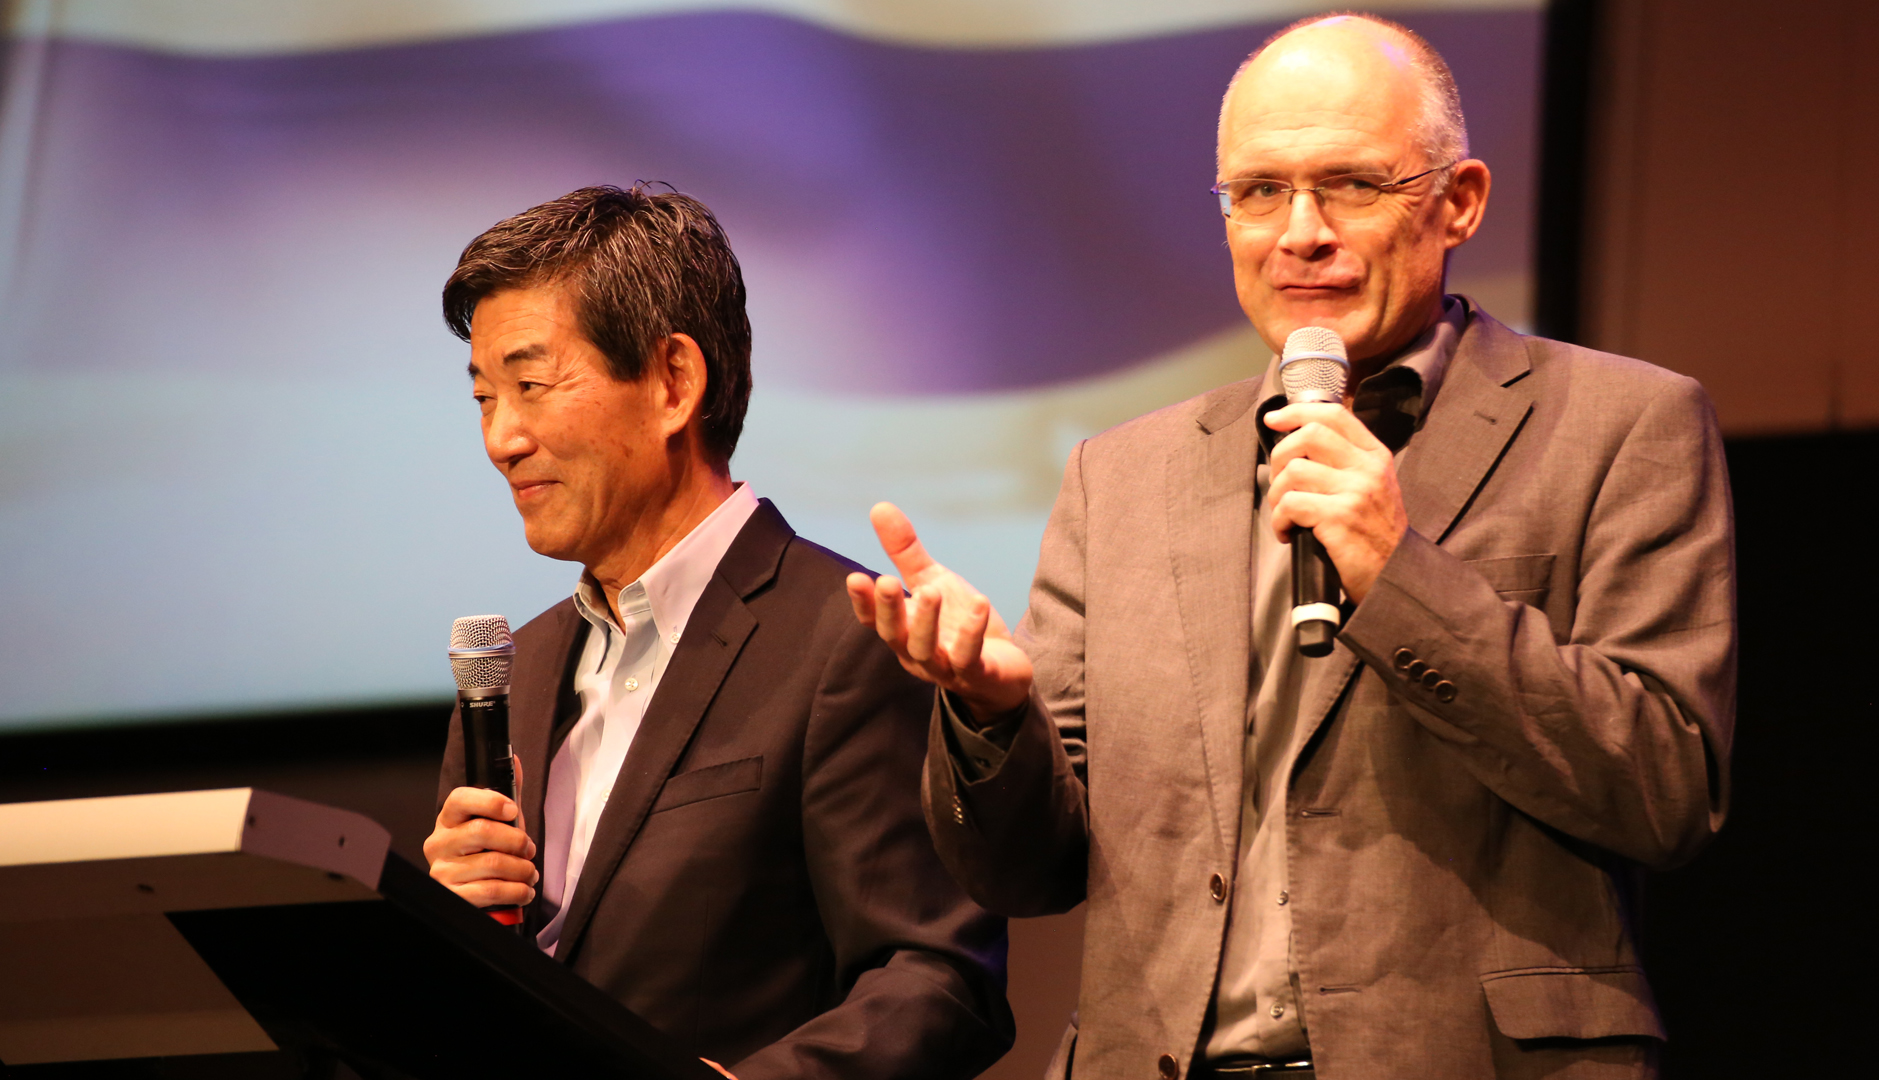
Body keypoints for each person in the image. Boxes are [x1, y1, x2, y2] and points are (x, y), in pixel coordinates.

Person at [848, 14, 1733, 1080]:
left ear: (1460, 201)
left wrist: (1401, 574)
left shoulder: (1621, 427)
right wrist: (990, 718)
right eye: (1259, 192)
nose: (1299, 232)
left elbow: (1664, 786)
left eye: (1352, 185)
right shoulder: (1122, 475)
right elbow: (1032, 872)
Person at [422, 185, 1012, 1080]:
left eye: (531, 385)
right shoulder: (523, 670)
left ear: (673, 382)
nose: (501, 437)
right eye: (483, 397)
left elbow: (937, 978)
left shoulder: (842, 638)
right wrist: (452, 935)